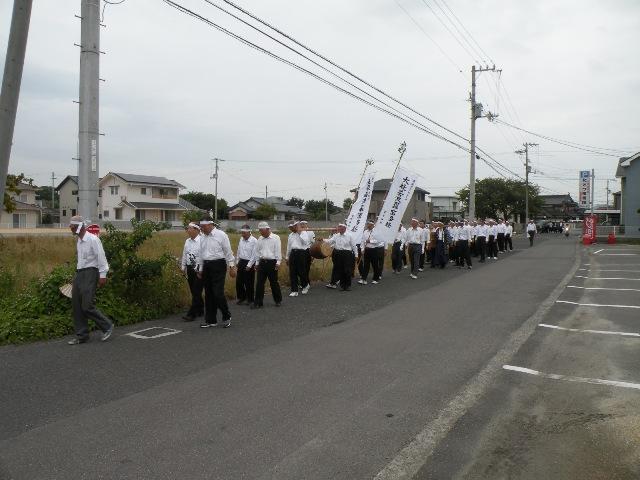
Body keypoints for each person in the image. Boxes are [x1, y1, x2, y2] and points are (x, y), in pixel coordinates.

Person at [67, 216, 114, 345]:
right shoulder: (79, 241)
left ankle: (107, 326)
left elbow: (101, 257)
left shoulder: (93, 239)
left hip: (91, 273)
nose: (70, 228)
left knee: (86, 305)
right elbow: (81, 261)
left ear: (79, 226)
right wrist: (76, 277)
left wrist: (103, 274)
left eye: (73, 226)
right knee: (76, 305)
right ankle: (82, 335)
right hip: (80, 273)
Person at [196, 217, 236, 328]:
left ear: (210, 225)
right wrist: (200, 269)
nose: (202, 229)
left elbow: (228, 251)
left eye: (203, 227)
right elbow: (200, 254)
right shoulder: (202, 237)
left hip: (218, 264)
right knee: (208, 294)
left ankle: (226, 316)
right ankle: (211, 320)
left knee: (217, 293)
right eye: (201, 227)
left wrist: (232, 266)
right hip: (206, 265)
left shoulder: (221, 235)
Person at [249, 221, 283, 308]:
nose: (261, 232)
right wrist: (256, 263)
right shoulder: (260, 238)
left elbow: (278, 250)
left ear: (267, 229)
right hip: (262, 263)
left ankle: (278, 300)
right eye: (260, 230)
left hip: (272, 263)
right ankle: (258, 302)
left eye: (262, 230)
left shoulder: (276, 238)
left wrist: (278, 262)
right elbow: (257, 251)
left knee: (273, 283)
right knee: (259, 283)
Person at [180, 222, 204, 321]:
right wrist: (183, 267)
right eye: (187, 228)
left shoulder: (202, 241)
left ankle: (191, 314)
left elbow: (203, 256)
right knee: (194, 291)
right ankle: (200, 309)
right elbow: (185, 254)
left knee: (197, 291)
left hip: (199, 269)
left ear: (197, 230)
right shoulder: (187, 241)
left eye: (190, 228)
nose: (188, 230)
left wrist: (201, 270)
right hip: (190, 268)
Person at [324, 222, 357, 290]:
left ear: (344, 228)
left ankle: (347, 285)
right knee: (340, 269)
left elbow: (354, 246)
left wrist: (356, 254)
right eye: (338, 227)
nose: (338, 229)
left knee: (347, 270)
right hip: (338, 254)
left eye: (340, 227)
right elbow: (330, 241)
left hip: (347, 254)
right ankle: (342, 285)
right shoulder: (336, 235)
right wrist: (323, 240)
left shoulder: (349, 235)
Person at [285, 221, 310, 297]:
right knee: (292, 272)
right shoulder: (290, 235)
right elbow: (289, 247)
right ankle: (294, 290)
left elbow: (306, 242)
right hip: (293, 253)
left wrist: (299, 233)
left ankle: (305, 285)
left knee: (301, 271)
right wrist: (287, 257)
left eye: (292, 227)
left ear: (296, 226)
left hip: (301, 253)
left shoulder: (303, 233)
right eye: (290, 228)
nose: (291, 229)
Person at [235, 224, 257, 305]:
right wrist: (237, 261)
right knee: (239, 282)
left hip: (249, 263)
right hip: (241, 261)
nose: (242, 234)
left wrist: (249, 265)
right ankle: (241, 297)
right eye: (242, 233)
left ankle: (250, 299)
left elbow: (254, 254)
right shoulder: (241, 239)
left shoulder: (254, 240)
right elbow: (238, 250)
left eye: (244, 233)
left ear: (249, 232)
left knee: (249, 282)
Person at [359, 220, 384, 284]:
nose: (368, 225)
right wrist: (362, 249)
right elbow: (362, 241)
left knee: (375, 265)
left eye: (369, 224)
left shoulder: (376, 232)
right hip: (367, 250)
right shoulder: (365, 232)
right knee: (366, 265)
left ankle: (376, 278)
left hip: (374, 250)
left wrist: (370, 241)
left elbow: (378, 241)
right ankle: (364, 279)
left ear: (373, 225)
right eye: (367, 224)